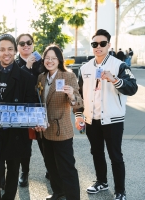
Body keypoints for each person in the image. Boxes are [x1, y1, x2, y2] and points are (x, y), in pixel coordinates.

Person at [0, 34, 38, 200]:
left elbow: (31, 103)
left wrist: (35, 119)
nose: (6, 53)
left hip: (16, 133)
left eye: (10, 49)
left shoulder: (26, 77)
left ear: (15, 50)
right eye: (2, 49)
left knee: (13, 170)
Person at [77, 29, 138, 200]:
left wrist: (114, 80)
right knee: (96, 152)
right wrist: (80, 115)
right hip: (91, 120)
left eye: (102, 43)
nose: (98, 47)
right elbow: (80, 96)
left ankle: (120, 191)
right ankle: (102, 182)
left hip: (113, 120)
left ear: (109, 45)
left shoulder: (119, 65)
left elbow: (132, 87)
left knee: (115, 156)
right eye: (94, 44)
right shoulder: (85, 68)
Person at [37, 44, 83, 200]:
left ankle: (73, 197)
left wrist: (71, 95)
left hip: (61, 129)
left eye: (53, 58)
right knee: (51, 165)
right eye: (47, 58)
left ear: (59, 60)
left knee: (67, 168)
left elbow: (79, 102)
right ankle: (58, 192)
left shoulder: (68, 76)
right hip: (45, 128)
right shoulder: (41, 77)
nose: (49, 61)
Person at [14, 33, 48, 187]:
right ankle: (24, 172)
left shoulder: (43, 62)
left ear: (33, 44)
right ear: (17, 47)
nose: (26, 45)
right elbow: (15, 86)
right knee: (24, 145)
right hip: (25, 109)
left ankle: (51, 170)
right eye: (22, 43)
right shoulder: (15, 64)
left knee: (45, 143)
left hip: (42, 107)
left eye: (29, 42)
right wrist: (26, 67)